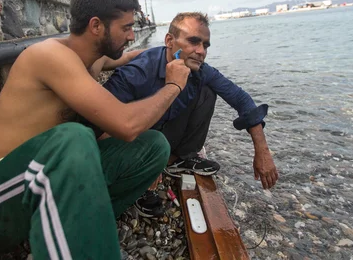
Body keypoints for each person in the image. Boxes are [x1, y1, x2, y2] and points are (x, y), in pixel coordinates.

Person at [0, 0, 191, 259]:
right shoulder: (50, 56)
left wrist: (170, 52)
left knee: (154, 145)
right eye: (126, 27)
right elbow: (126, 126)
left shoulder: (93, 59)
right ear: (96, 26)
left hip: (35, 186)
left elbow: (130, 56)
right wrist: (173, 86)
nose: (132, 35)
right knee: (75, 138)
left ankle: (82, 228)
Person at [101, 12, 278, 217]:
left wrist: (262, 151)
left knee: (207, 90)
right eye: (193, 42)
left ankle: (177, 159)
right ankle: (144, 174)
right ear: (169, 41)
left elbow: (240, 98)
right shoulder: (137, 72)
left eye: (205, 45)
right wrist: (141, 159)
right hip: (135, 138)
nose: (201, 51)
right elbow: (101, 127)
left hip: (164, 132)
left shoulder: (200, 69)